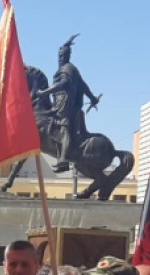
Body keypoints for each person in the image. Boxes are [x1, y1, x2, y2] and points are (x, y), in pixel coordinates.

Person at [36, 34, 100, 172]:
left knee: (64, 128)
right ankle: (59, 154)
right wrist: (92, 97)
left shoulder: (68, 68)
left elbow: (63, 83)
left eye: (63, 56)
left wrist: (44, 92)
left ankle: (64, 159)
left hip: (65, 103)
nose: (61, 58)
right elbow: (83, 85)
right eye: (59, 56)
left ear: (68, 56)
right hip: (58, 102)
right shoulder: (66, 68)